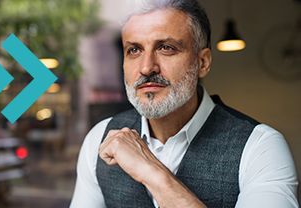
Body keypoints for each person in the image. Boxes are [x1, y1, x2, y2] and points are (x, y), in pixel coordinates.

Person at [69, 0, 299, 207]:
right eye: (134, 50)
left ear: (202, 62)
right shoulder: (99, 138)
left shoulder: (261, 148)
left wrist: (150, 171)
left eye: (166, 48)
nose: (147, 67)